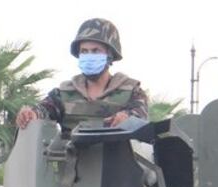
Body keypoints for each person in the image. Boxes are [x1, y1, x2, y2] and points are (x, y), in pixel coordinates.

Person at [15, 18, 148, 132]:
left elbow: (139, 115)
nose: (89, 56)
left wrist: (126, 116)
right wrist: (30, 114)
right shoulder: (64, 93)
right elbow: (44, 110)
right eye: (84, 51)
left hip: (116, 159)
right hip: (72, 159)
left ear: (110, 55)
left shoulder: (131, 91)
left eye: (95, 51)